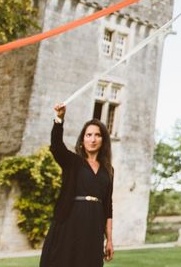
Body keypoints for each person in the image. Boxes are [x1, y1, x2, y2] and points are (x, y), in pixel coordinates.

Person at [40, 103, 114, 267]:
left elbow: (108, 206)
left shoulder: (109, 170)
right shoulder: (72, 162)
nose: (93, 139)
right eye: (88, 135)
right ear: (82, 140)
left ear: (103, 140)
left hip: (94, 225)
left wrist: (109, 239)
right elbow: (57, 146)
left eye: (97, 135)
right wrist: (59, 119)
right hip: (70, 221)